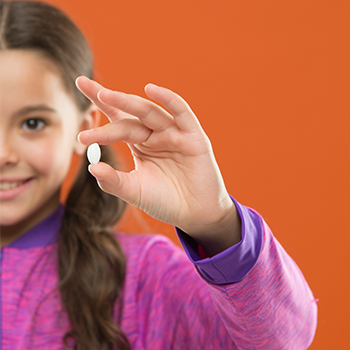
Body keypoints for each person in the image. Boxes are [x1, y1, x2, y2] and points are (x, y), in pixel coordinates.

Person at [0, 1, 317, 349]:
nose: (3, 154)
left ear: (84, 128)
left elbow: (281, 340)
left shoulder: (142, 278)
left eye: (33, 123)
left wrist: (215, 221)